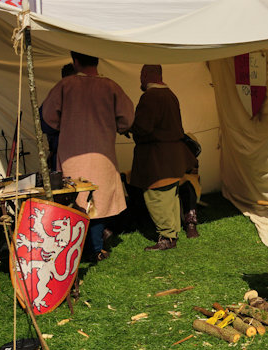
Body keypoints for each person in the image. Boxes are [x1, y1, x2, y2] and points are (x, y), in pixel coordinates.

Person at [41, 52, 134, 261]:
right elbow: (127, 119)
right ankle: (95, 248)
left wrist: (64, 126)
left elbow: (48, 118)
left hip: (71, 154)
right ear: (97, 61)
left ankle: (78, 248)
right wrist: (114, 126)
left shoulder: (65, 86)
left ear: (75, 62)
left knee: (75, 198)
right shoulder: (111, 86)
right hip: (102, 153)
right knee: (97, 200)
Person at [129, 65, 197, 251]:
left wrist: (128, 126)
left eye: (141, 76)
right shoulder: (170, 94)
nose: (140, 80)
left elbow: (143, 127)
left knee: (157, 196)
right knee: (170, 196)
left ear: (146, 75)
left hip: (158, 158)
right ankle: (171, 233)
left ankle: (167, 237)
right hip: (172, 156)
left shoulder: (151, 96)